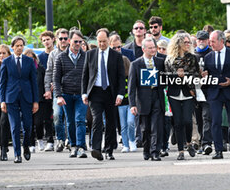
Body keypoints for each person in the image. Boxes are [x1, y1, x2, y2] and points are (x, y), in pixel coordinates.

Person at [82, 28, 126, 160]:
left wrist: (120, 94)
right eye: (99, 41)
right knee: (97, 119)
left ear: (109, 40)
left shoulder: (116, 56)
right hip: (95, 92)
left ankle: (109, 149)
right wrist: (84, 93)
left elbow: (120, 77)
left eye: (104, 41)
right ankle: (96, 148)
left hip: (111, 92)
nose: (101, 44)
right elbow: (85, 75)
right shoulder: (90, 54)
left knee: (111, 122)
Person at [203, 30, 230, 159]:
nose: (210, 43)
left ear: (222, 41)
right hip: (215, 93)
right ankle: (218, 150)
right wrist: (204, 75)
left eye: (213, 41)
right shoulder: (208, 57)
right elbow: (207, 75)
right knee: (216, 121)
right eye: (210, 41)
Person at [0, 36, 39, 163]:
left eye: (21, 45)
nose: (19, 48)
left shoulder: (28, 61)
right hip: (11, 98)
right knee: (15, 126)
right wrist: (3, 101)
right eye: (17, 46)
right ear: (12, 47)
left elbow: (34, 82)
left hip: (27, 97)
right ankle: (17, 154)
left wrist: (35, 101)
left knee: (27, 125)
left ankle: (26, 146)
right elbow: (3, 83)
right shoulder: (6, 62)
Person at [128, 37, 165, 161]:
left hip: (157, 97)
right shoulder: (136, 64)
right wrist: (132, 104)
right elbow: (132, 86)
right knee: (145, 128)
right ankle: (146, 149)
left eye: (154, 47)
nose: (153, 50)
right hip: (143, 100)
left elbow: (165, 79)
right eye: (150, 48)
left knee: (156, 126)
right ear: (143, 49)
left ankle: (155, 151)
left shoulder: (160, 62)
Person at [164, 31, 199, 160]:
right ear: (178, 43)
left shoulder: (192, 58)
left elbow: (196, 75)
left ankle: (189, 142)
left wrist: (185, 77)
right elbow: (166, 77)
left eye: (189, 42)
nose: (188, 44)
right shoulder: (169, 59)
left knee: (188, 121)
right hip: (173, 93)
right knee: (178, 123)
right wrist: (176, 75)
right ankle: (180, 151)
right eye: (185, 42)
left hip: (188, 92)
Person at [53, 29, 88, 158]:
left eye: (80, 41)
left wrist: (88, 93)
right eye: (75, 41)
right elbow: (56, 78)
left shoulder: (86, 57)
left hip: (81, 94)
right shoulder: (60, 57)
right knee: (70, 122)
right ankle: (73, 146)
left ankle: (81, 147)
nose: (77, 44)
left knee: (80, 120)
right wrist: (58, 95)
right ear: (69, 41)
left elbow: (91, 76)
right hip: (66, 94)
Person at [44, 28, 69, 152]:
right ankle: (60, 139)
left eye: (65, 38)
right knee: (57, 115)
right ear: (56, 39)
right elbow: (48, 73)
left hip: (71, 89)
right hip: (57, 90)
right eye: (61, 38)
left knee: (71, 117)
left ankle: (70, 140)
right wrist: (48, 89)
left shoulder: (73, 52)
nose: (63, 41)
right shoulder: (53, 54)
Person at [23, 49, 48, 153]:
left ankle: (40, 139)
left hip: (39, 99)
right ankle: (31, 143)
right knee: (29, 123)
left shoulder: (41, 69)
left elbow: (44, 82)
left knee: (38, 122)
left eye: (31, 58)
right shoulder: (22, 71)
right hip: (26, 99)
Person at [194, 30, 213, 155]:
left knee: (207, 117)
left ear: (208, 41)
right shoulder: (192, 54)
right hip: (195, 90)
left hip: (208, 90)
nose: (201, 41)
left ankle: (207, 143)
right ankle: (201, 141)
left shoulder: (211, 54)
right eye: (199, 39)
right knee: (198, 118)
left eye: (204, 39)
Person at [37, 31, 55, 151]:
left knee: (59, 117)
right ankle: (49, 139)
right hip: (45, 91)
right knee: (47, 117)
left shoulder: (58, 54)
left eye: (48, 39)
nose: (46, 42)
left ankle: (60, 139)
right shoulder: (40, 57)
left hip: (59, 88)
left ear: (53, 39)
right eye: (43, 40)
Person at [0, 44, 11, 161]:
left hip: (6, 100)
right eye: (0, 53)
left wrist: (2, 98)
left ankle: (3, 149)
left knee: (4, 123)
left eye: (4, 53)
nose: (2, 56)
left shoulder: (11, 67)